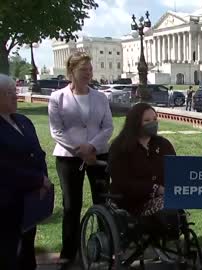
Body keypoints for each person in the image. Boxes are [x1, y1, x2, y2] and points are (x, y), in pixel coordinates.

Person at [48, 51, 113, 268]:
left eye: (90, 69)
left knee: (102, 201)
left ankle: (105, 248)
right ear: (71, 72)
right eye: (83, 70)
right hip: (69, 157)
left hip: (98, 154)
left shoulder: (101, 97)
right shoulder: (58, 98)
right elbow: (56, 131)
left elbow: (108, 127)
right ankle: (69, 252)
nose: (88, 73)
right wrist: (79, 150)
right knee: (71, 205)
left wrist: (92, 146)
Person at [0, 74, 52, 270]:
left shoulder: (23, 121)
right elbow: (4, 167)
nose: (15, 96)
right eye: (9, 93)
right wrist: (37, 179)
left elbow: (38, 153)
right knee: (8, 252)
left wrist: (43, 179)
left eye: (15, 92)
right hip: (6, 201)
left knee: (27, 250)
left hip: (29, 199)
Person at [109, 103, 177, 232]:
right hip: (131, 201)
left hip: (162, 197)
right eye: (147, 120)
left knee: (175, 203)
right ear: (135, 123)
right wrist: (155, 188)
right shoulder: (120, 147)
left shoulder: (163, 144)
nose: (153, 123)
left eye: (155, 119)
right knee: (169, 204)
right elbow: (121, 181)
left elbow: (174, 170)